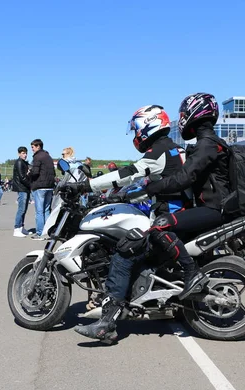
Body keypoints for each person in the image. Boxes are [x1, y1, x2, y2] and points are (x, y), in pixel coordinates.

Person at [73, 93, 231, 343]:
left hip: (172, 219)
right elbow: (152, 183)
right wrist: (126, 195)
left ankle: (107, 323)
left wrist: (88, 186)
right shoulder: (174, 149)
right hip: (181, 214)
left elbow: (128, 174)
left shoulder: (160, 151)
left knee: (124, 252)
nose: (135, 133)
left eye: (136, 128)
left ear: (148, 126)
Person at [28, 139, 56, 239]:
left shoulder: (37, 157)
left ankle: (40, 233)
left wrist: (29, 174)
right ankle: (48, 231)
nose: (32, 149)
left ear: (38, 146)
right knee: (47, 210)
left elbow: (35, 172)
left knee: (39, 211)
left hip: (39, 186)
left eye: (33, 147)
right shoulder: (48, 157)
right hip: (49, 186)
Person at [12, 146, 31, 237]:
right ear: (19, 154)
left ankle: (21, 227)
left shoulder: (24, 162)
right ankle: (17, 228)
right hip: (21, 188)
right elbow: (22, 177)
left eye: (26, 153)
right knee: (21, 209)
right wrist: (31, 184)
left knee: (24, 209)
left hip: (25, 188)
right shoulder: (19, 162)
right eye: (23, 153)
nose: (25, 155)